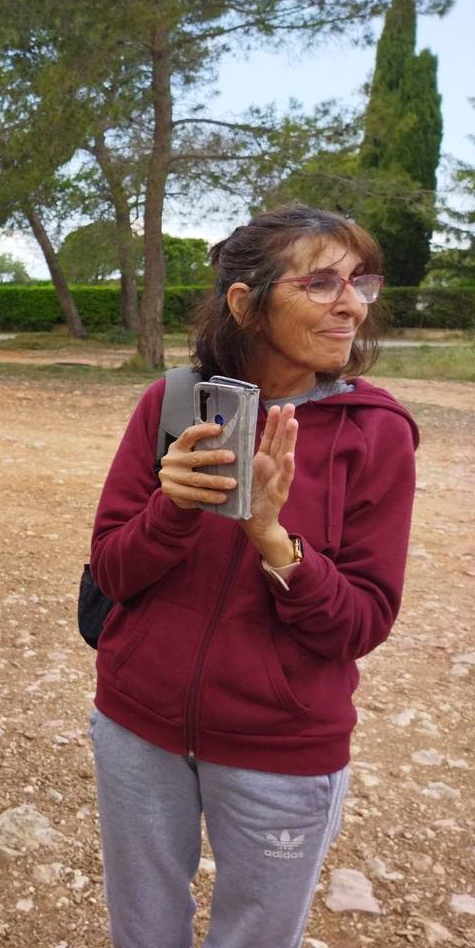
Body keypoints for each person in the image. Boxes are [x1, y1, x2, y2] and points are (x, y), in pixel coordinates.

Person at [88, 204, 418, 948]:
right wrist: (173, 507)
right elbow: (111, 568)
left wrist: (275, 540)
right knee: (142, 932)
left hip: (282, 748)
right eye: (321, 283)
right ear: (246, 302)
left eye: (360, 283)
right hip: (137, 728)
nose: (351, 305)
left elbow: (361, 623)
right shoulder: (172, 403)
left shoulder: (376, 432)